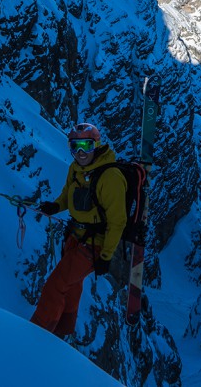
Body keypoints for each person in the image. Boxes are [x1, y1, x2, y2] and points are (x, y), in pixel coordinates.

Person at [30, 122, 128, 338]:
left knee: (54, 287)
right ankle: (62, 331)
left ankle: (36, 335)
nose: (81, 152)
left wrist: (106, 256)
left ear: (97, 145)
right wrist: (56, 206)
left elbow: (117, 221)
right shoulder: (75, 169)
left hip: (95, 244)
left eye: (87, 145)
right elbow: (68, 194)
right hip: (75, 237)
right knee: (71, 286)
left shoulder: (110, 177)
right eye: (75, 147)